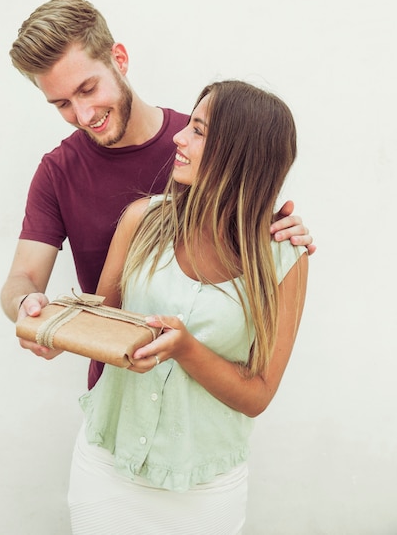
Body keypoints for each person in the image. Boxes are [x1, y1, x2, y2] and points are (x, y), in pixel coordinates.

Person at [0, 0, 314, 390]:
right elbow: (22, 278)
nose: (82, 115)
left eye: (88, 88)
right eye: (62, 103)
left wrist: (285, 235)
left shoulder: (203, 146)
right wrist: (26, 305)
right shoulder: (58, 171)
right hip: (115, 397)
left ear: (120, 59)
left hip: (201, 404)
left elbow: (254, 236)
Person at [67, 80, 309, 534]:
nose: (179, 137)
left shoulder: (284, 259)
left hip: (203, 488)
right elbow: (98, 328)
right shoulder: (142, 219)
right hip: (106, 465)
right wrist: (44, 316)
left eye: (197, 130)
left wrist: (186, 348)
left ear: (239, 154)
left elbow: (258, 395)